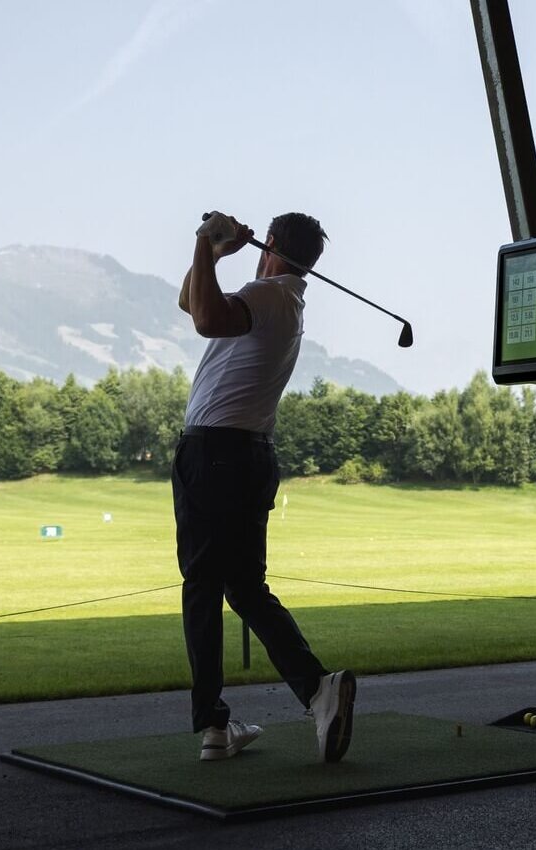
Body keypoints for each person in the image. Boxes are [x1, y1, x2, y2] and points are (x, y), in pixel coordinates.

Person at [172, 210, 355, 764]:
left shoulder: (270, 295)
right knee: (244, 589)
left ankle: (215, 723)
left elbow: (203, 318)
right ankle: (313, 692)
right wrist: (213, 255)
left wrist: (206, 240)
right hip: (242, 456)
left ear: (270, 243)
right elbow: (193, 301)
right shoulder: (282, 299)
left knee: (203, 587)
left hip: (216, 455)